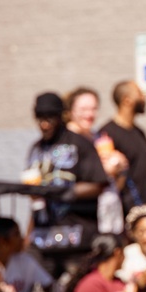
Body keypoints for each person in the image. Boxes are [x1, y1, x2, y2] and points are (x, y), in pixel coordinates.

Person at [24, 91, 109, 277]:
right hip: (42, 241)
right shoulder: (35, 149)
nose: (44, 124)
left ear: (61, 117)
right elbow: (36, 200)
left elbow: (99, 184)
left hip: (77, 241)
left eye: (49, 119)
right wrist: (27, 236)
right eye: (40, 118)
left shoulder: (80, 144)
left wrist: (63, 191)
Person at [65, 86, 127, 234]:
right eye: (84, 109)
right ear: (71, 111)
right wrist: (105, 171)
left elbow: (115, 183)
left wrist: (121, 166)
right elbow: (68, 179)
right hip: (80, 220)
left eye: (94, 109)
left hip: (108, 213)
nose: (90, 114)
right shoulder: (67, 140)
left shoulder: (97, 137)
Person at [99, 81, 146, 212]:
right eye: (140, 94)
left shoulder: (140, 132)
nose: (145, 98)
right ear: (127, 100)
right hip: (123, 213)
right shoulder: (107, 134)